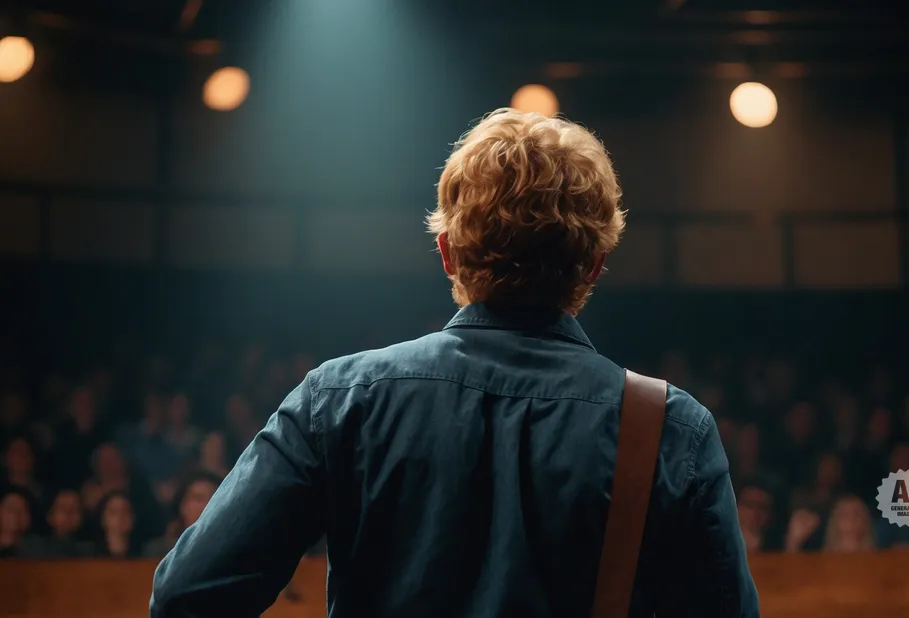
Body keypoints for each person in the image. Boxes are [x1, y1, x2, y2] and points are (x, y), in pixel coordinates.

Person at [150, 108, 759, 617]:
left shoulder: (339, 401)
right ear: (595, 264)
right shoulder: (669, 428)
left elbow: (186, 597)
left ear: (447, 252)